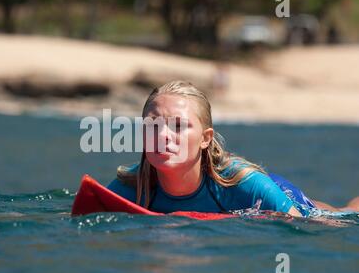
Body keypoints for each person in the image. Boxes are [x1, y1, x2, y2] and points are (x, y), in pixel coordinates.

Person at [107, 81, 359, 217]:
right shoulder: (130, 186)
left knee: (337, 214)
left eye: (178, 126)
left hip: (280, 193)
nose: (162, 135)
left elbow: (308, 232)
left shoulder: (248, 186)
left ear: (205, 138)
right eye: (153, 126)